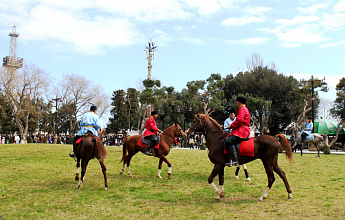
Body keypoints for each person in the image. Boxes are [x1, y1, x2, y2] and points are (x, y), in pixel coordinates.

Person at [224, 96, 251, 167]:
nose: (236, 103)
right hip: (243, 129)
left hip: (242, 130)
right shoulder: (245, 109)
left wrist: (231, 126)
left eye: (237, 102)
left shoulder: (242, 109)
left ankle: (234, 160)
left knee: (228, 141)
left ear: (238, 102)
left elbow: (239, 120)